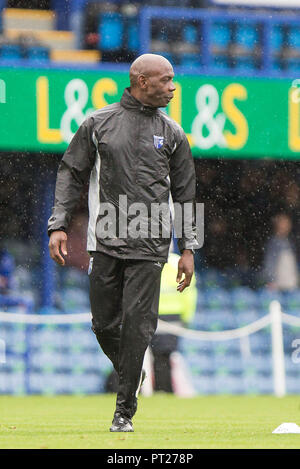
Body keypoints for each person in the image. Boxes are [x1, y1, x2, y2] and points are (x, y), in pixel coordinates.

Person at [48, 53, 200, 432]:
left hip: (151, 245)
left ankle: (123, 411)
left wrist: (188, 248)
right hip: (105, 241)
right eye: (165, 80)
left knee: (138, 326)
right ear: (140, 81)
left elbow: (186, 193)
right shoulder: (97, 124)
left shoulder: (175, 133)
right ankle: (131, 372)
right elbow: (71, 173)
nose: (172, 86)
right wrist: (59, 224)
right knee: (103, 324)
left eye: (173, 79)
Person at [262, 213, 299, 291]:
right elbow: (270, 263)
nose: (286, 227)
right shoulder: (273, 243)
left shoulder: (289, 242)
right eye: (283, 224)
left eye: (287, 224)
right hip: (277, 286)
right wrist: (271, 280)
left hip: (290, 285)